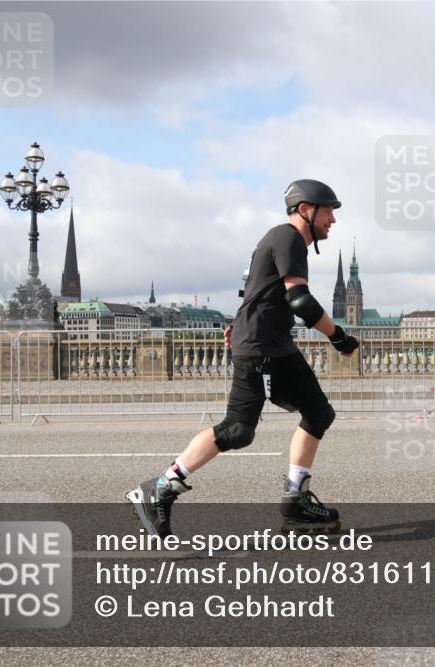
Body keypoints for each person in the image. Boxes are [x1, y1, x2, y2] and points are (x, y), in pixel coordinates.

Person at [126, 179, 359, 537]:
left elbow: (253, 290)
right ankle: (158, 489)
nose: (333, 219)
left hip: (274, 346)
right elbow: (300, 301)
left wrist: (238, 324)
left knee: (318, 412)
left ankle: (295, 500)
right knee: (237, 429)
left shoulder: (282, 241)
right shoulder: (288, 238)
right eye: (328, 210)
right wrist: (338, 336)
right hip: (263, 350)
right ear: (305, 210)